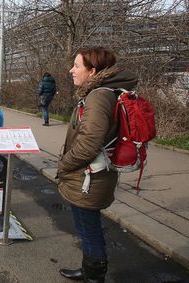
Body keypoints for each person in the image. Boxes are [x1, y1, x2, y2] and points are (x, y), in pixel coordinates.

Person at [57, 47, 137, 282]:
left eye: (77, 66)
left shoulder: (98, 96)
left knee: (89, 230)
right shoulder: (100, 93)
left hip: (88, 179)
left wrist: (64, 165)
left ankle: (94, 277)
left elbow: (89, 144)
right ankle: (89, 270)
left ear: (92, 71)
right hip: (88, 177)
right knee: (86, 229)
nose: (72, 70)